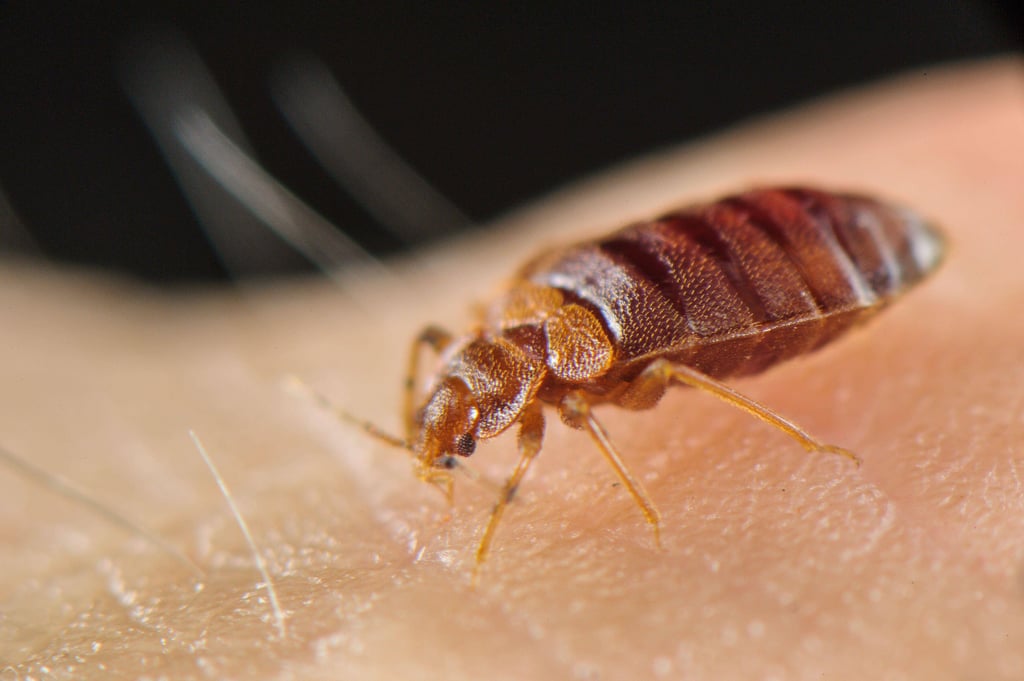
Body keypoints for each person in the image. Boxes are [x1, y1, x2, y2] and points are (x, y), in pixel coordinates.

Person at [1, 57, 1022, 680]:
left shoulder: (565, 382)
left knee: (673, 371)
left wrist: (648, 496)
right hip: (731, 246)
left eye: (460, 424)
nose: (462, 430)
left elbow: (607, 409)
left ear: (492, 394)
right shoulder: (520, 322)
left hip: (814, 266)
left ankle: (800, 433)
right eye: (458, 424)